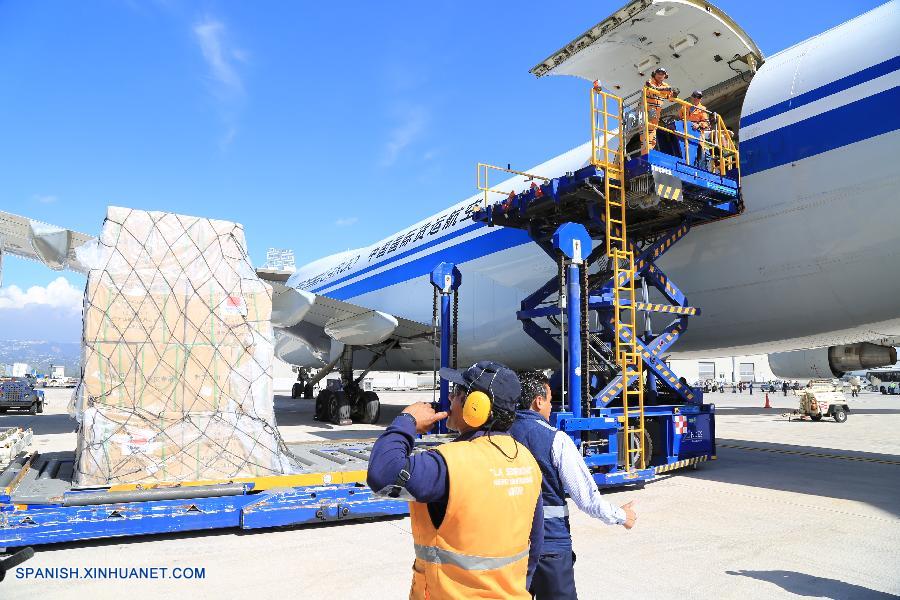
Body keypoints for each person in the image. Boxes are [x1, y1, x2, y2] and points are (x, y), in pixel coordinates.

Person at [367, 361, 543, 599]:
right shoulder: (526, 460)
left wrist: (406, 421)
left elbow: (383, 474)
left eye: (457, 392)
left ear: (476, 405)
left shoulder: (450, 463)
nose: (450, 397)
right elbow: (535, 545)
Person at [510, 371, 636, 599]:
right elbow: (587, 499)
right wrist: (622, 516)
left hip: (510, 549)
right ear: (538, 402)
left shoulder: (499, 436)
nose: (551, 407)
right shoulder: (555, 439)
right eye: (550, 400)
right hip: (550, 547)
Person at [643, 67, 675, 153]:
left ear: (665, 76)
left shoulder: (665, 86)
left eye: (662, 74)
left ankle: (649, 151)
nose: (660, 76)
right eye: (658, 73)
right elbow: (652, 88)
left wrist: (674, 94)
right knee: (647, 131)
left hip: (656, 112)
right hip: (648, 109)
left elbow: (671, 97)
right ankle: (646, 152)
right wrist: (663, 90)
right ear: (655, 74)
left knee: (653, 133)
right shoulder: (650, 81)